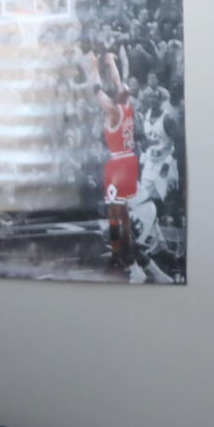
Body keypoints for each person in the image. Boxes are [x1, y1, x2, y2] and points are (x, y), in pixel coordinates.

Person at [87, 46, 139, 273]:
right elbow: (119, 82)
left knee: (114, 213)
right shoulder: (127, 107)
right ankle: (126, 250)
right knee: (123, 211)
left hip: (118, 164)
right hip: (130, 162)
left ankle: (118, 254)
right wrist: (110, 62)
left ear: (118, 97)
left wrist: (93, 67)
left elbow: (97, 90)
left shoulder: (114, 111)